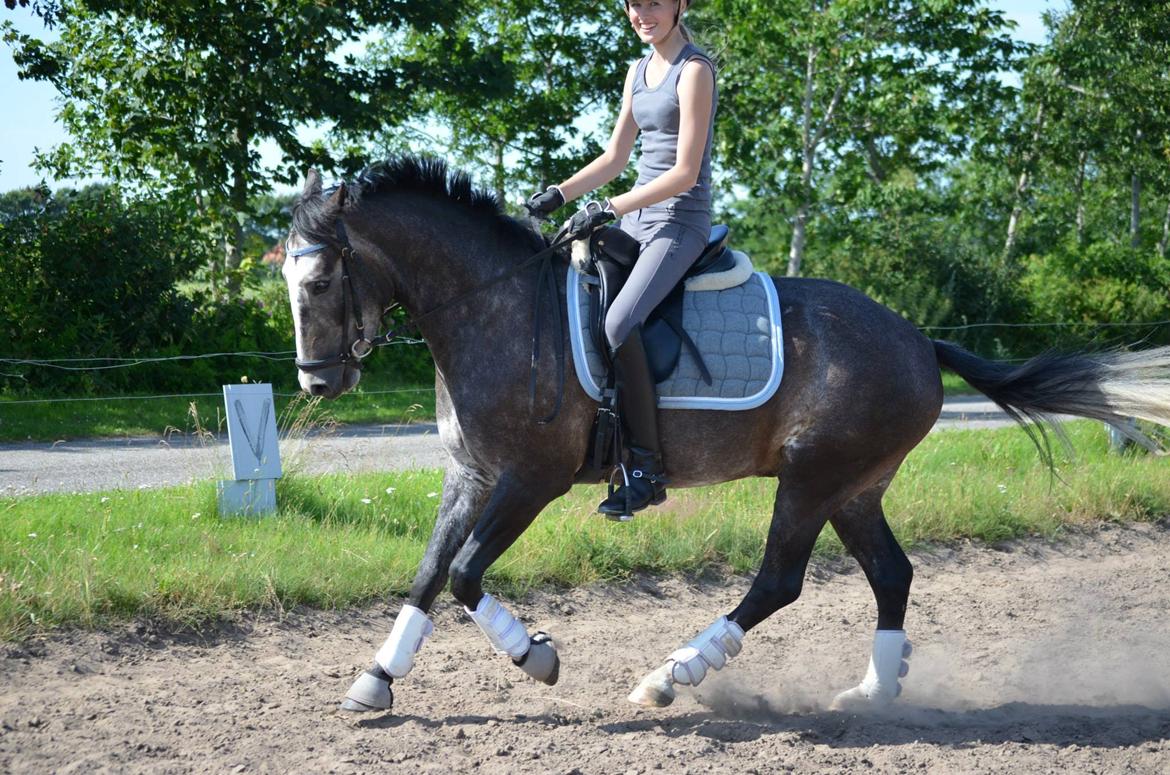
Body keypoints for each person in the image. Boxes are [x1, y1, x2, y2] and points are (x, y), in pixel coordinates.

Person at [526, 0, 717, 518]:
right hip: (636, 218)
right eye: (635, 4)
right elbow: (616, 158)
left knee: (618, 322)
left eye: (654, 3)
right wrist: (557, 195)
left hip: (679, 221)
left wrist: (606, 208)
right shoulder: (638, 71)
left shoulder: (694, 71)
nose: (643, 13)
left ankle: (647, 470)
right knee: (570, 294)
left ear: (679, 5)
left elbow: (684, 173)